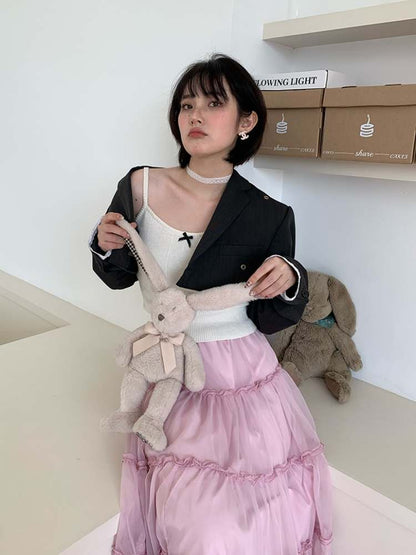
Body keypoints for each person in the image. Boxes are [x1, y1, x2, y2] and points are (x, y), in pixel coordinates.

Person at [89, 53, 333, 555]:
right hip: (166, 365)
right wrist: (103, 243)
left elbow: (270, 317)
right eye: (187, 105)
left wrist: (290, 278)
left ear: (247, 121)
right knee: (195, 519)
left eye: (214, 104)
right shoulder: (140, 184)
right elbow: (117, 275)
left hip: (242, 372)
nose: (195, 116)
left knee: (255, 513)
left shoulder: (270, 213)